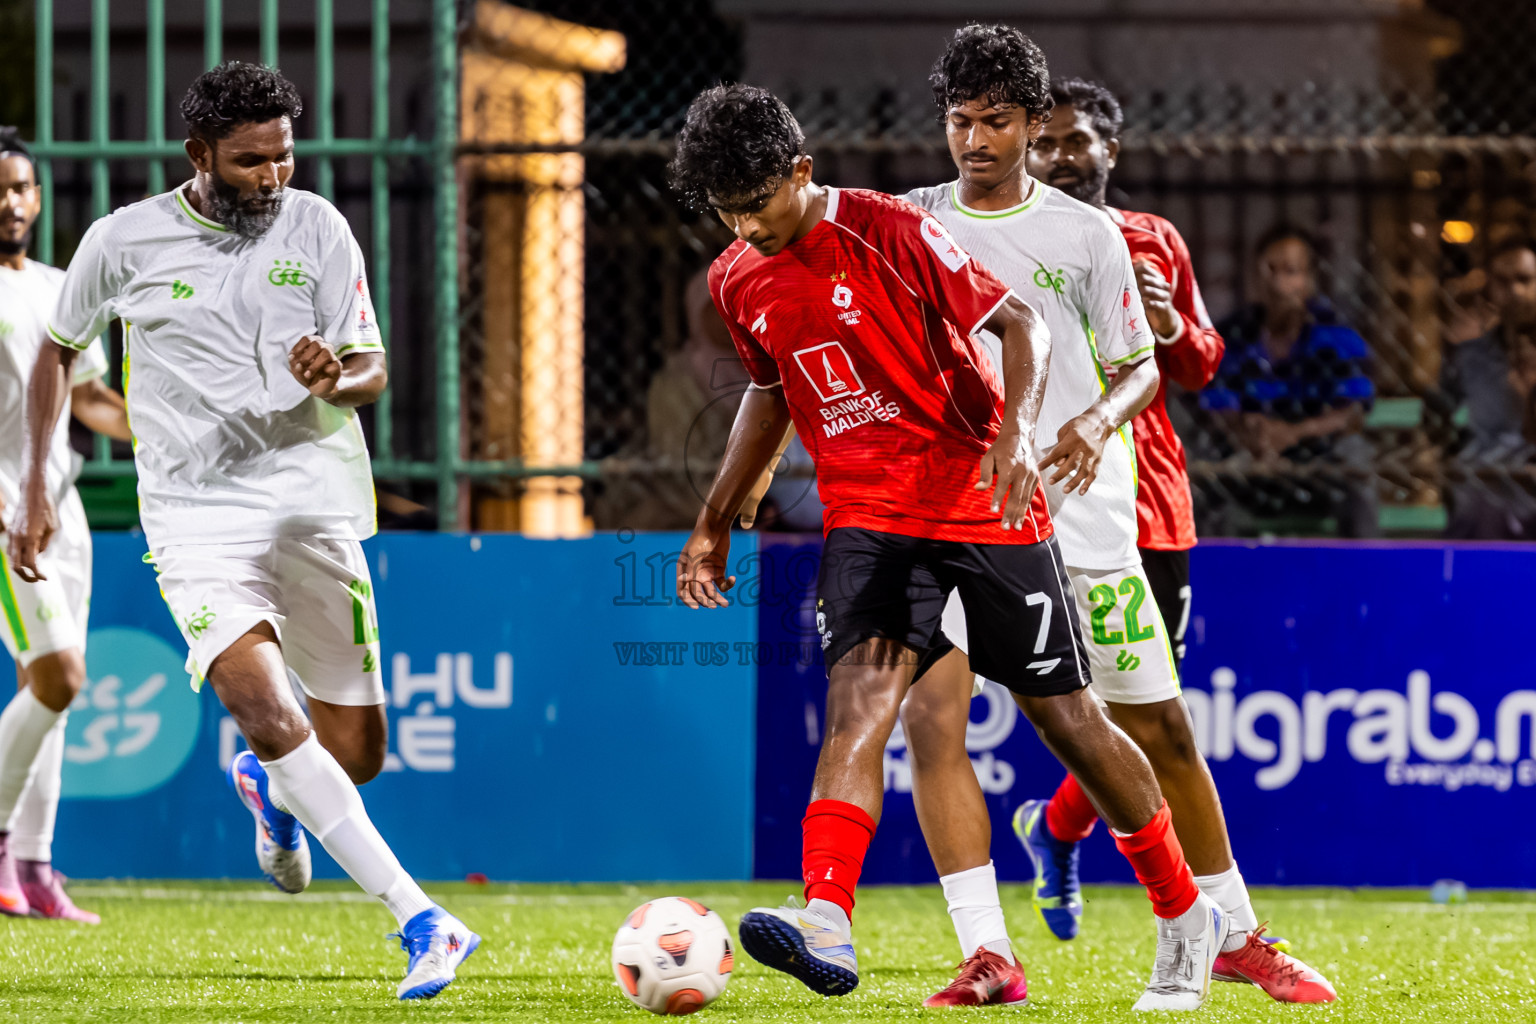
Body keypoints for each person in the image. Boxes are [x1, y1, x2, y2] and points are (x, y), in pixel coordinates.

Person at [670, 82, 1222, 1013]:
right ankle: (825, 919)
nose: (745, 228)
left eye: (756, 205)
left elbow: (1020, 324)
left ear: (801, 173)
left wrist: (1012, 437)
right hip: (868, 521)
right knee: (860, 710)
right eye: (725, 212)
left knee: (1071, 722)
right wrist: (717, 516)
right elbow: (768, 394)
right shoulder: (738, 276)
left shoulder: (889, 229)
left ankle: (1185, 912)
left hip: (980, 505)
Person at [7, 63, 476, 999]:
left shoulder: (320, 227)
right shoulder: (122, 241)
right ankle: (421, 916)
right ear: (199, 155)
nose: (273, 176)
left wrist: (334, 378)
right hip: (193, 521)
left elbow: (372, 365)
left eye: (284, 156)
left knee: (357, 754)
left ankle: (268, 788)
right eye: (251, 160)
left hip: (311, 505)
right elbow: (59, 352)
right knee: (264, 711)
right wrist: (36, 487)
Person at [902, 30, 1334, 1007]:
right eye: (960, 119)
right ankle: (987, 952)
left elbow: (1154, 365)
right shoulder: (909, 221)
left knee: (1155, 731)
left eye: (999, 119)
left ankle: (1233, 931)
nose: (977, 138)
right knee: (934, 713)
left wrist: (1096, 417)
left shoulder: (1102, 236)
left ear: (1034, 123)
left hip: (1085, 521)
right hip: (950, 515)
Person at [0, 128, 130, 923]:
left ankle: (36, 867)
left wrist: (170, 425)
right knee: (59, 677)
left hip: (62, 503)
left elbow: (88, 400)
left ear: (38, 198)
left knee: (48, 690)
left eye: (19, 187)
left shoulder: (56, 287)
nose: (8, 202)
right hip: (9, 511)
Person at [1203, 225, 1378, 537]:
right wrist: (1246, 431)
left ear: (1309, 280)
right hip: (1249, 458)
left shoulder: (1336, 335)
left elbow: (1352, 412)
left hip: (1318, 463)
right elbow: (1216, 400)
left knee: (1357, 460)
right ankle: (1201, 574)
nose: (1278, 282)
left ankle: (1363, 573)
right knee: (1202, 467)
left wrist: (1293, 433)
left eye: (1291, 271)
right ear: (1255, 277)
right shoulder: (1232, 334)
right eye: (1270, 269)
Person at [1439, 237, 1536, 539]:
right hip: (1488, 467)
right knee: (1482, 495)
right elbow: (1439, 412)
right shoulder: (1471, 355)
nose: (1515, 292)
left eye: (1524, 280)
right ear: (1490, 289)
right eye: (1503, 282)